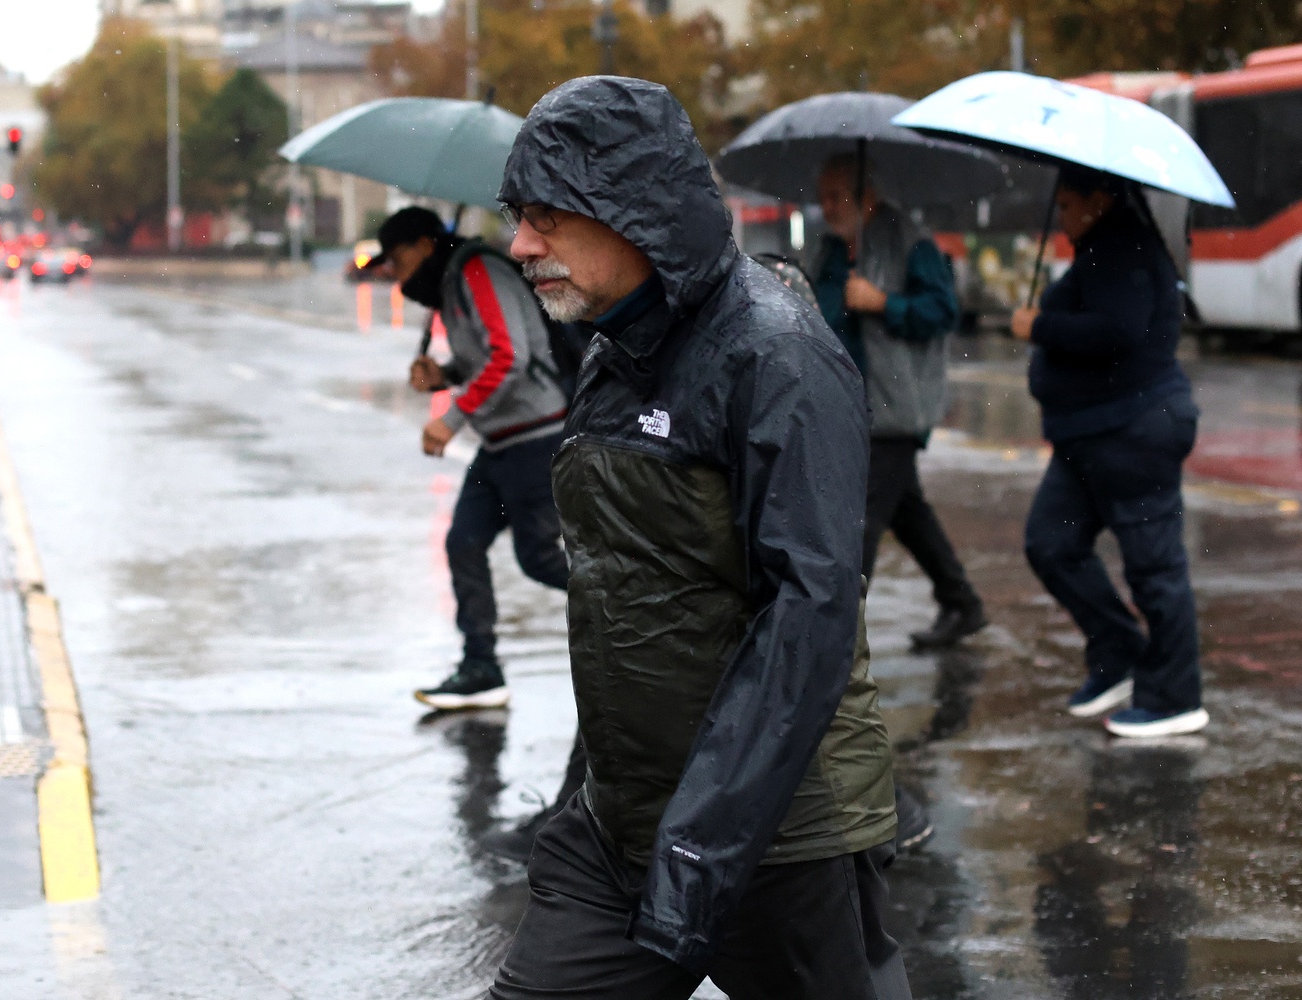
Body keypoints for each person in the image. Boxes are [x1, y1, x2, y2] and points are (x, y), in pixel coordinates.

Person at [490, 76, 911, 1000]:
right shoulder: (615, 345)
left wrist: (698, 847)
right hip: (622, 827)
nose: (520, 245)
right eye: (519, 219)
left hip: (778, 836)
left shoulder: (776, 354)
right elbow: (629, 591)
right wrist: (588, 802)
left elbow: (807, 618)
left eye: (547, 218)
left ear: (633, 209)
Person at [1010, 164, 1208, 739]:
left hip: (1132, 432)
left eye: (1068, 206)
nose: (1062, 218)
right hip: (1089, 436)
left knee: (1154, 567)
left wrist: (1040, 326)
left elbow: (1116, 330)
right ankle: (1118, 650)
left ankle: (1174, 697)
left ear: (1099, 199)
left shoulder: (1124, 246)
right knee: (1052, 543)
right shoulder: (1101, 247)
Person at [372, 206, 571, 711]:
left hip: (535, 439)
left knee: (539, 558)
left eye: (398, 260)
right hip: (499, 444)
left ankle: (637, 611)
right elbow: (483, 358)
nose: (396, 275)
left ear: (423, 245)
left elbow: (511, 357)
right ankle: (481, 668)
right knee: (463, 543)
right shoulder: (452, 284)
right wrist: (444, 374)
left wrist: (451, 418)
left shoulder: (478, 270)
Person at [813, 155, 988, 652]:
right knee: (907, 511)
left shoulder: (910, 242)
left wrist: (884, 303)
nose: (827, 208)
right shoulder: (831, 248)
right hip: (845, 403)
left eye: (837, 197)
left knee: (857, 522)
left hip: (893, 409)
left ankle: (835, 642)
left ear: (867, 196)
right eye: (823, 198)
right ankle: (962, 602)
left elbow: (942, 311)